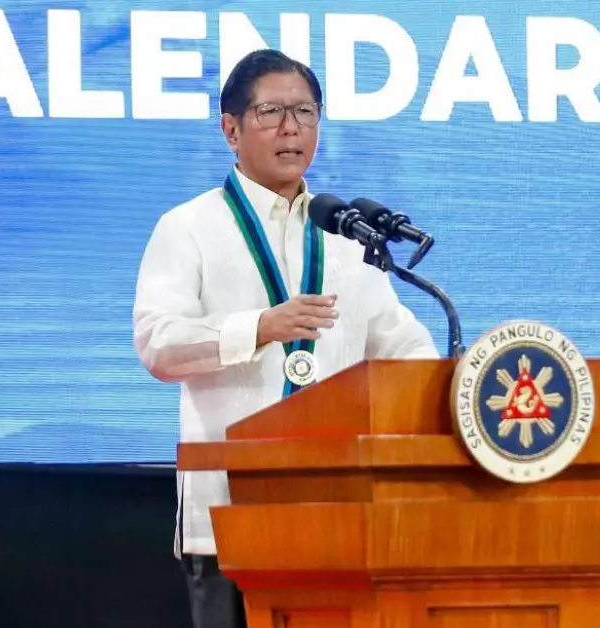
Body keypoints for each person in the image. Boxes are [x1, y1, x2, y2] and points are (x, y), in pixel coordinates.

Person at [131, 49, 439, 628]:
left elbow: (403, 349)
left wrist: (455, 382)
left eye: (305, 112)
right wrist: (258, 327)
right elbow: (159, 345)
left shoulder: (346, 236)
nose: (291, 128)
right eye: (271, 112)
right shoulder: (188, 227)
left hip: (340, 509)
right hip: (230, 514)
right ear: (231, 129)